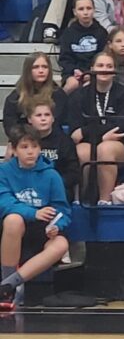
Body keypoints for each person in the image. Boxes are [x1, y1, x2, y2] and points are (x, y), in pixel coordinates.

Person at [0, 126, 73, 310]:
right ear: (14, 150)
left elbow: (62, 209)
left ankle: (9, 285)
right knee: (13, 219)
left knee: (61, 243)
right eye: (24, 147)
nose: (30, 151)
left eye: (34, 146)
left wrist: (57, 224)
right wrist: (34, 213)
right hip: (13, 229)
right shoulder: (4, 172)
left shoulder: (51, 175)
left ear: (40, 149)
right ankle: (7, 287)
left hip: (41, 229)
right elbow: (4, 202)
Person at [71, 52, 124, 204]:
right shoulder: (79, 95)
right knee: (81, 152)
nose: (104, 69)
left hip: (121, 145)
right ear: (92, 69)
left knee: (105, 149)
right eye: (100, 65)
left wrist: (87, 131)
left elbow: (122, 128)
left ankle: (104, 200)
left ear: (114, 71)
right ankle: (81, 199)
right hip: (91, 142)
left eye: (109, 66)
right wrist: (102, 134)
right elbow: (75, 132)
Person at [3, 52, 67, 137]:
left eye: (45, 67)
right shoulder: (15, 97)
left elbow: (61, 122)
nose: (41, 71)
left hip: (53, 140)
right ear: (28, 70)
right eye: (35, 67)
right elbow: (10, 126)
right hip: (24, 140)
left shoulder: (58, 94)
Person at [25, 100, 79, 200]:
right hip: (28, 190)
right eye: (38, 115)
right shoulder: (23, 142)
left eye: (47, 115)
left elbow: (73, 172)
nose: (43, 119)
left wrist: (54, 183)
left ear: (53, 118)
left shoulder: (65, 141)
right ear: (29, 119)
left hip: (58, 189)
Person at [57, 0, 107, 94]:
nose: (85, 12)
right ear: (75, 12)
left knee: (89, 85)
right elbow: (65, 59)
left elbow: (103, 56)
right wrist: (74, 70)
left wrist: (91, 72)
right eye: (81, 9)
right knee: (73, 84)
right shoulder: (68, 33)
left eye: (89, 8)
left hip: (94, 71)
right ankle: (60, 103)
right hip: (72, 72)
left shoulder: (101, 32)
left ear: (94, 10)